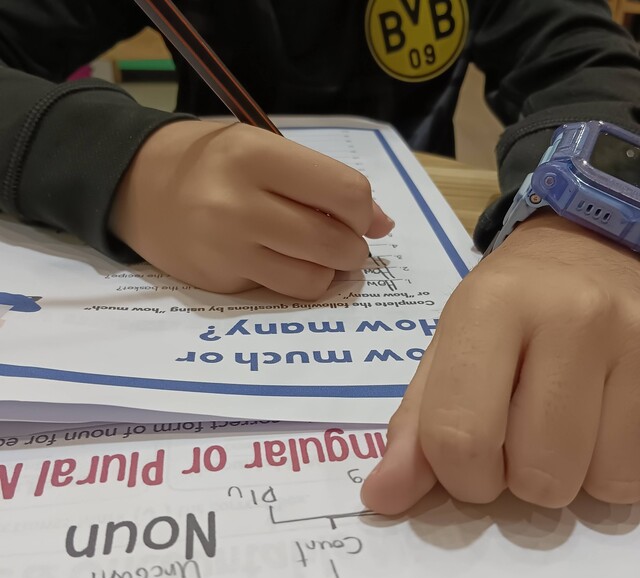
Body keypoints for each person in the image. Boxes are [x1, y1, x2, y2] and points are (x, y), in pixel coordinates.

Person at [1, 0, 639, 512]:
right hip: (196, 225)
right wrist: (124, 162)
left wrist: (585, 225)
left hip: (428, 205)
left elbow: (590, 61)